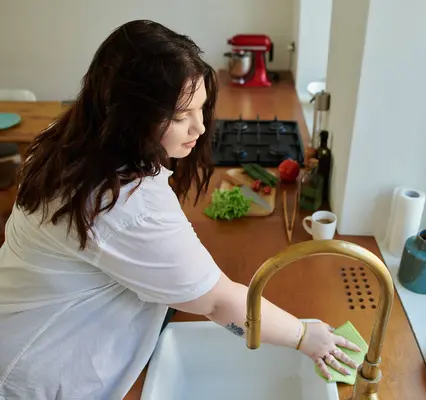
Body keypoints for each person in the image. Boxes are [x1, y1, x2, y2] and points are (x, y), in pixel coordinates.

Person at [0, 20, 361, 400]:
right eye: (179, 116)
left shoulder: (71, 138)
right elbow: (219, 301)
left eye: (201, 109)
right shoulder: (124, 204)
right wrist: (305, 336)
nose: (200, 127)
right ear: (129, 115)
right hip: (42, 364)